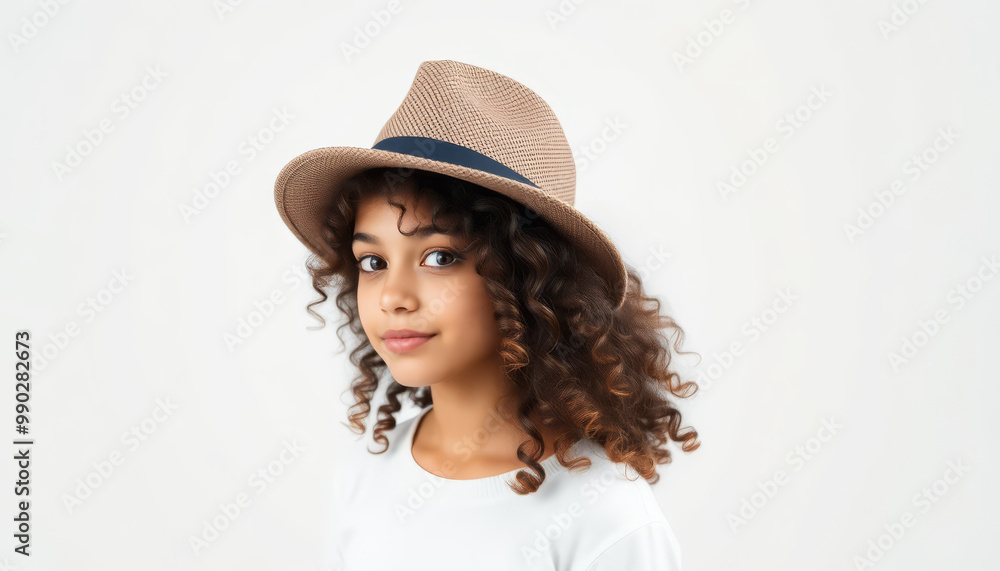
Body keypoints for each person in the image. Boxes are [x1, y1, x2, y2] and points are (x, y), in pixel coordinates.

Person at [273, 59, 700, 570]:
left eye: (440, 257)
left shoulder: (605, 520)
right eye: (373, 262)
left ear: (529, 277)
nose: (393, 296)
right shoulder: (368, 474)